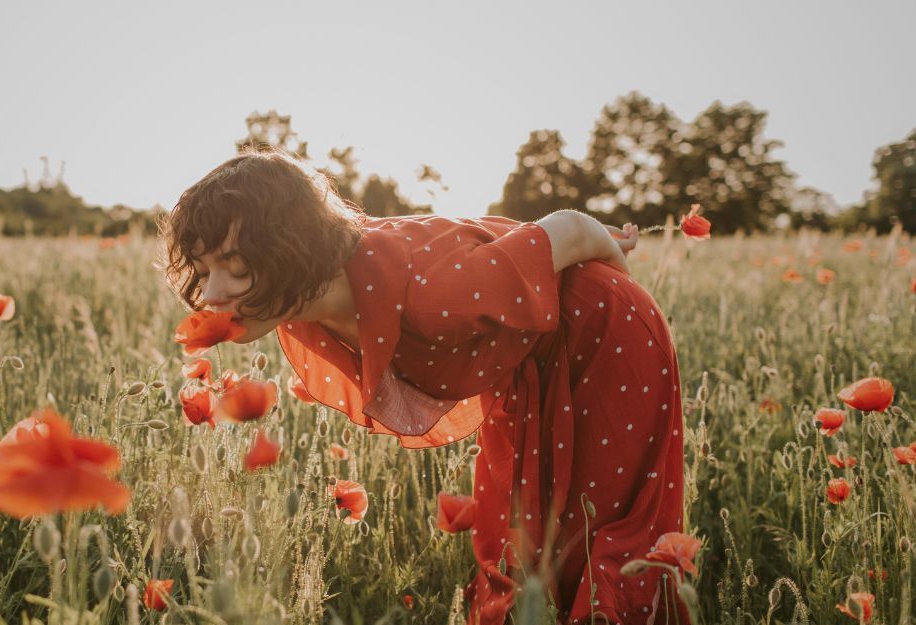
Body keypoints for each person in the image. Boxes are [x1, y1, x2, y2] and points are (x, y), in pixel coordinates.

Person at [157, 147, 689, 625]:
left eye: (233, 265)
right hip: (528, 355)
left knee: (604, 525)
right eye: (205, 269)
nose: (212, 294)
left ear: (289, 246)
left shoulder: (432, 292)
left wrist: (619, 279)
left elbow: (571, 229)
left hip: (605, 334)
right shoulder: (300, 302)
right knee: (522, 524)